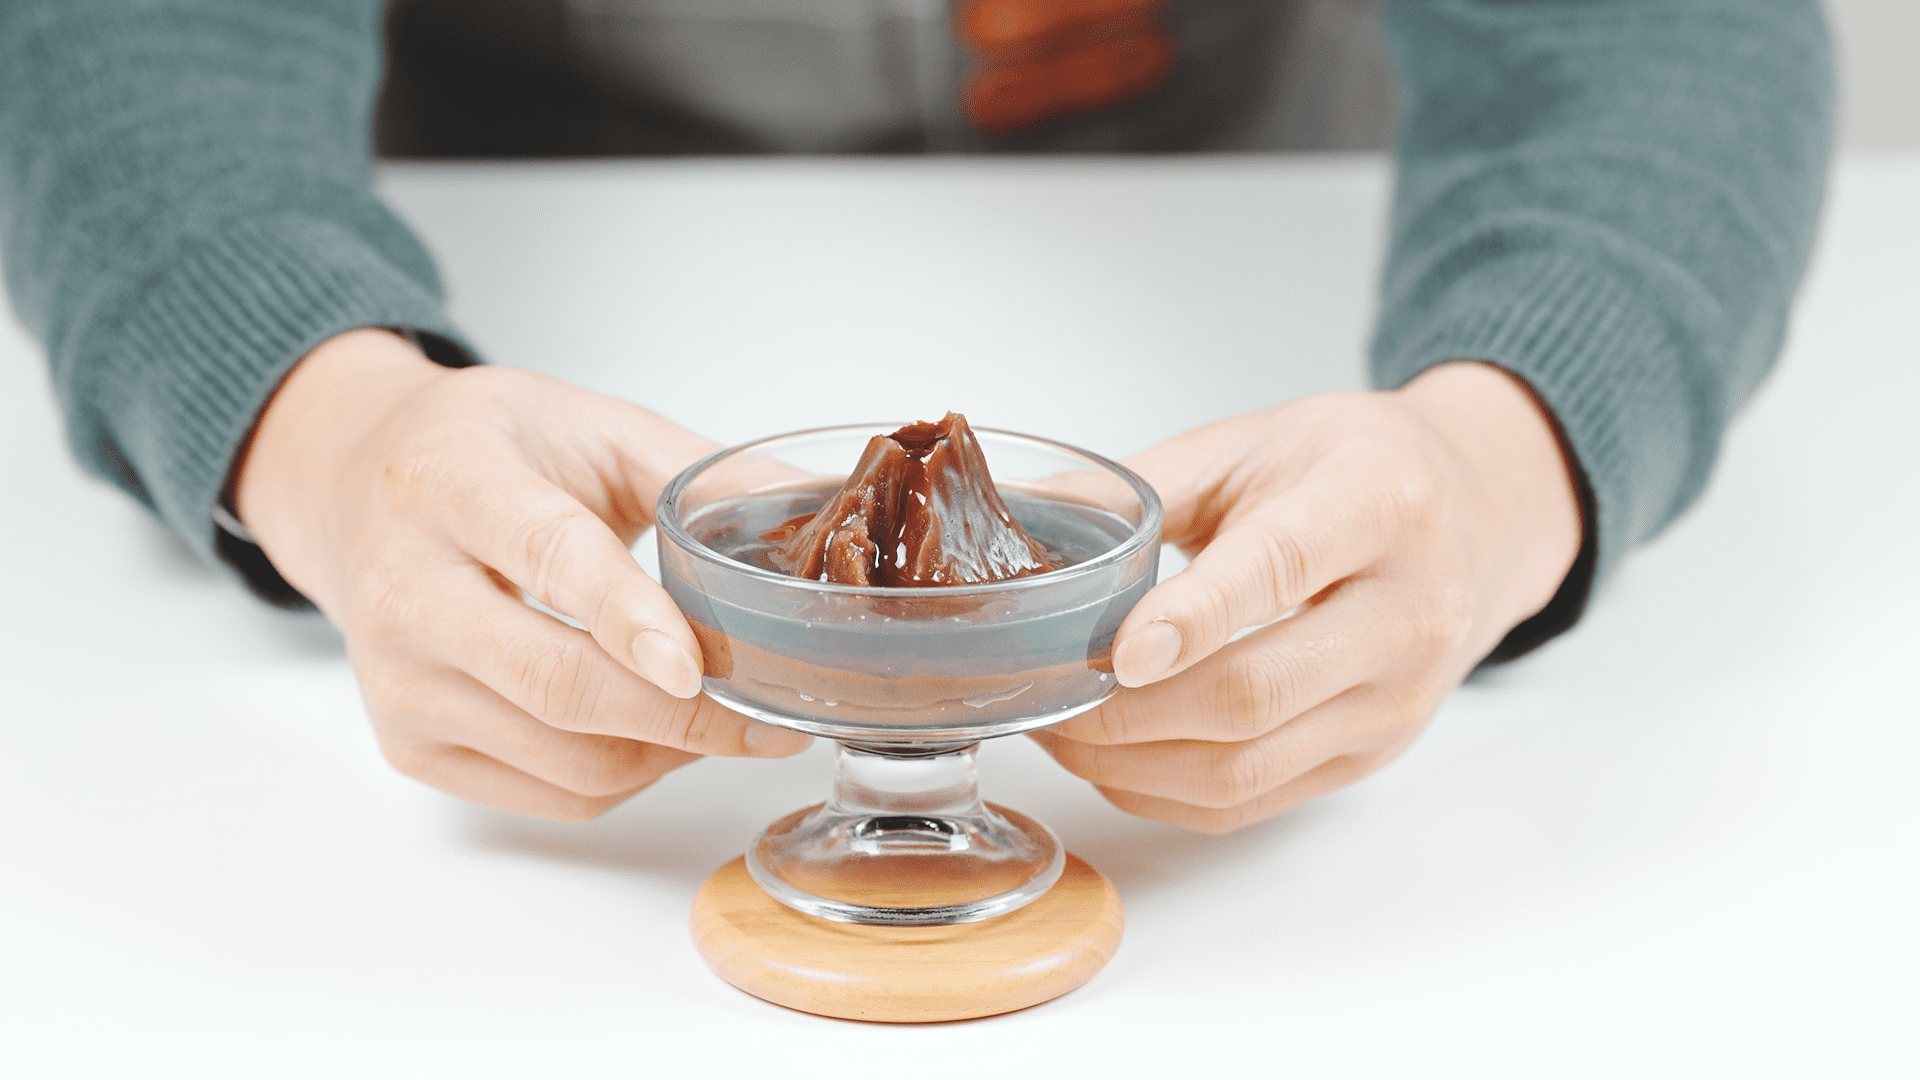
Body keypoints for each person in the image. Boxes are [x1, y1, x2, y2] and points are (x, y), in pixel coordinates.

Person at [0, 1, 1833, 831]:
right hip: (516, 189)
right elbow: (135, 35)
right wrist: (318, 417)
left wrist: (1503, 445)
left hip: (1246, 181)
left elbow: (1665, 34)